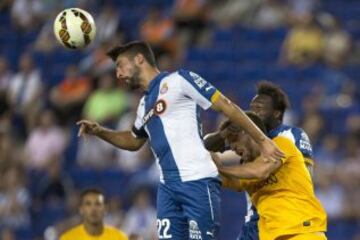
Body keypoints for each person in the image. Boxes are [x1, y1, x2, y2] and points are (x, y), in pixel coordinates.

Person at [77, 41, 283, 239]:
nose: (118, 74)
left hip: (197, 181)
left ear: (139, 59)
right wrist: (100, 131)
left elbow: (226, 105)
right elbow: (133, 141)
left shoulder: (180, 80)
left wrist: (262, 140)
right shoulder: (143, 105)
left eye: (120, 66)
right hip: (167, 189)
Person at [204, 81, 314, 240]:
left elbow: (262, 170)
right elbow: (206, 147)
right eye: (251, 108)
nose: (253, 112)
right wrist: (224, 134)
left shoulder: (287, 137)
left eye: (259, 109)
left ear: (276, 113)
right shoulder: (248, 149)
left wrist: (220, 167)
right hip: (261, 219)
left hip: (288, 217)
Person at [213, 112, 327, 240]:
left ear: (248, 132)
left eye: (234, 139)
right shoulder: (247, 168)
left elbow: (260, 171)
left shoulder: (281, 144)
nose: (232, 147)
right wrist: (206, 158)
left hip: (302, 232)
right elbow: (221, 178)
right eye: (229, 144)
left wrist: (221, 168)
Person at [60, 188, 128, 240]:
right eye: (88, 204)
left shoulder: (119, 237)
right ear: (81, 209)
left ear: (106, 209)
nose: (93, 209)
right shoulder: (68, 238)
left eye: (98, 204)